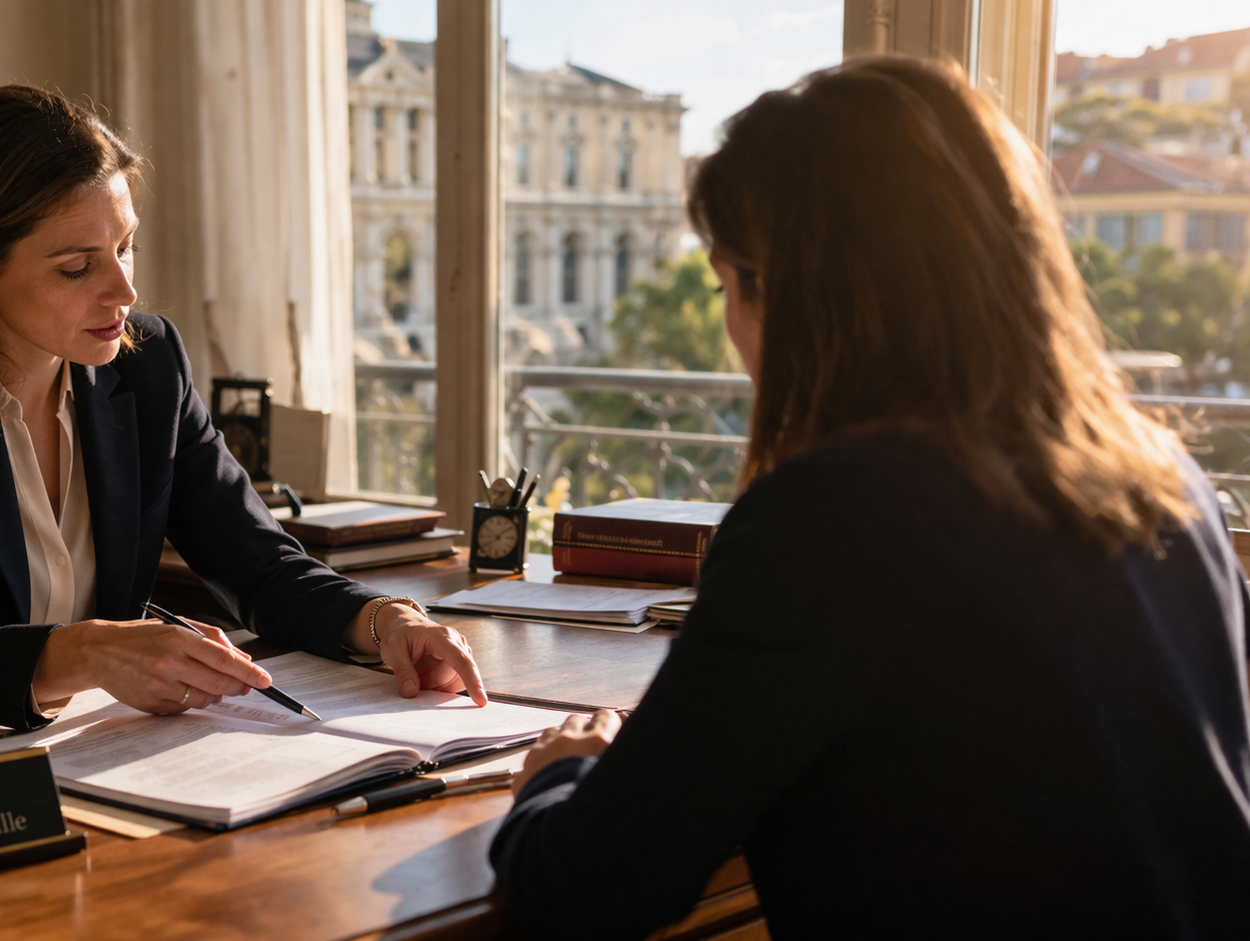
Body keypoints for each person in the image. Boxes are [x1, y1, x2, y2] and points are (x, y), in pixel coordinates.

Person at [489, 57, 1250, 939]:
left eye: (728, 284)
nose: (732, 325)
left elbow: (581, 889)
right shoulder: (1169, 482)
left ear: (796, 295)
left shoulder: (830, 523)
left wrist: (558, 773)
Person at [0, 85, 485, 731]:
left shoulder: (148, 363)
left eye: (126, 248)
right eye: (77, 267)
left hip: (94, 749)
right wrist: (85, 651)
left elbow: (259, 564)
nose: (123, 291)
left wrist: (385, 620)